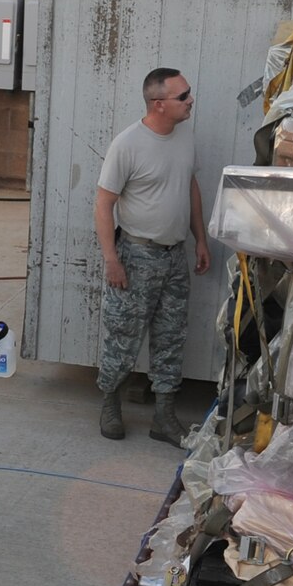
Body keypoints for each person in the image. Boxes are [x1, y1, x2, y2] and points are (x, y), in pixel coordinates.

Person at [94, 66, 211, 444]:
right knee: (123, 336)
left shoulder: (185, 136)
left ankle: (164, 417)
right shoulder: (127, 144)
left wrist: (200, 240)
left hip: (174, 257)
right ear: (158, 104)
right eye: (183, 96)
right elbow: (103, 203)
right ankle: (110, 404)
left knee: (171, 336)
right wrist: (112, 259)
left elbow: (189, 187)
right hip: (136, 256)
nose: (191, 100)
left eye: (189, 92)